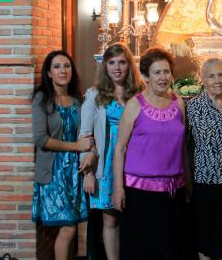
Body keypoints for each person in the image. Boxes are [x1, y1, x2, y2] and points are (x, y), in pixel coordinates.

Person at [112, 47, 191, 260]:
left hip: (173, 191)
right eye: (157, 72)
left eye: (166, 72)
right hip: (140, 194)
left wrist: (189, 184)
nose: (163, 77)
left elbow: (182, 146)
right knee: (143, 250)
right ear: (146, 76)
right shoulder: (134, 105)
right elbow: (119, 148)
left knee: (170, 249)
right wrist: (118, 188)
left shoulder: (179, 103)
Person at [78, 43, 143, 260]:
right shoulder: (94, 95)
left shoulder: (141, 93)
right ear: (105, 66)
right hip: (106, 162)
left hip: (136, 159)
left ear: (129, 65)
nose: (117, 68)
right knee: (110, 219)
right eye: (112, 63)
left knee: (135, 217)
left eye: (122, 62)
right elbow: (85, 135)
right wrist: (87, 173)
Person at [31, 50, 92, 260]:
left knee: (72, 227)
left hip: (73, 174)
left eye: (66, 66)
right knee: (68, 229)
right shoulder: (42, 98)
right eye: (56, 66)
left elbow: (86, 134)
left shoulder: (77, 100)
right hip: (53, 172)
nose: (62, 70)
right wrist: (76, 146)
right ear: (48, 73)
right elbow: (41, 140)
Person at [187, 58, 222, 260]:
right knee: (205, 239)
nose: (217, 80)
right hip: (203, 182)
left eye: (221, 74)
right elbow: (186, 145)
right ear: (202, 79)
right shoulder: (192, 106)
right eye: (211, 76)